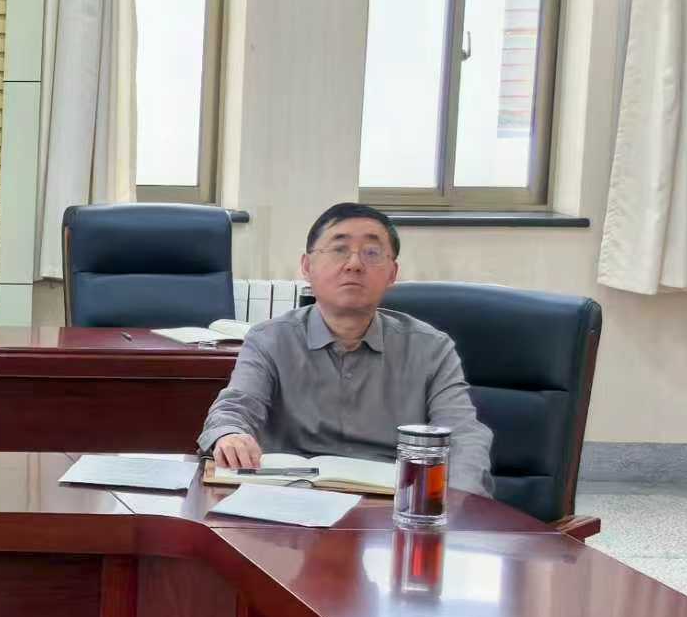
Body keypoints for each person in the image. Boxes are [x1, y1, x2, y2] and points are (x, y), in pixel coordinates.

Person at [198, 202, 492, 493]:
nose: (354, 264)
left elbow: (463, 434)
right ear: (307, 266)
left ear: (392, 273)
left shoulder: (431, 348)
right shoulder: (269, 339)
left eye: (372, 253)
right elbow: (235, 407)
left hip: (392, 504)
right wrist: (230, 435)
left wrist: (457, 500)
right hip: (292, 497)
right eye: (339, 249)